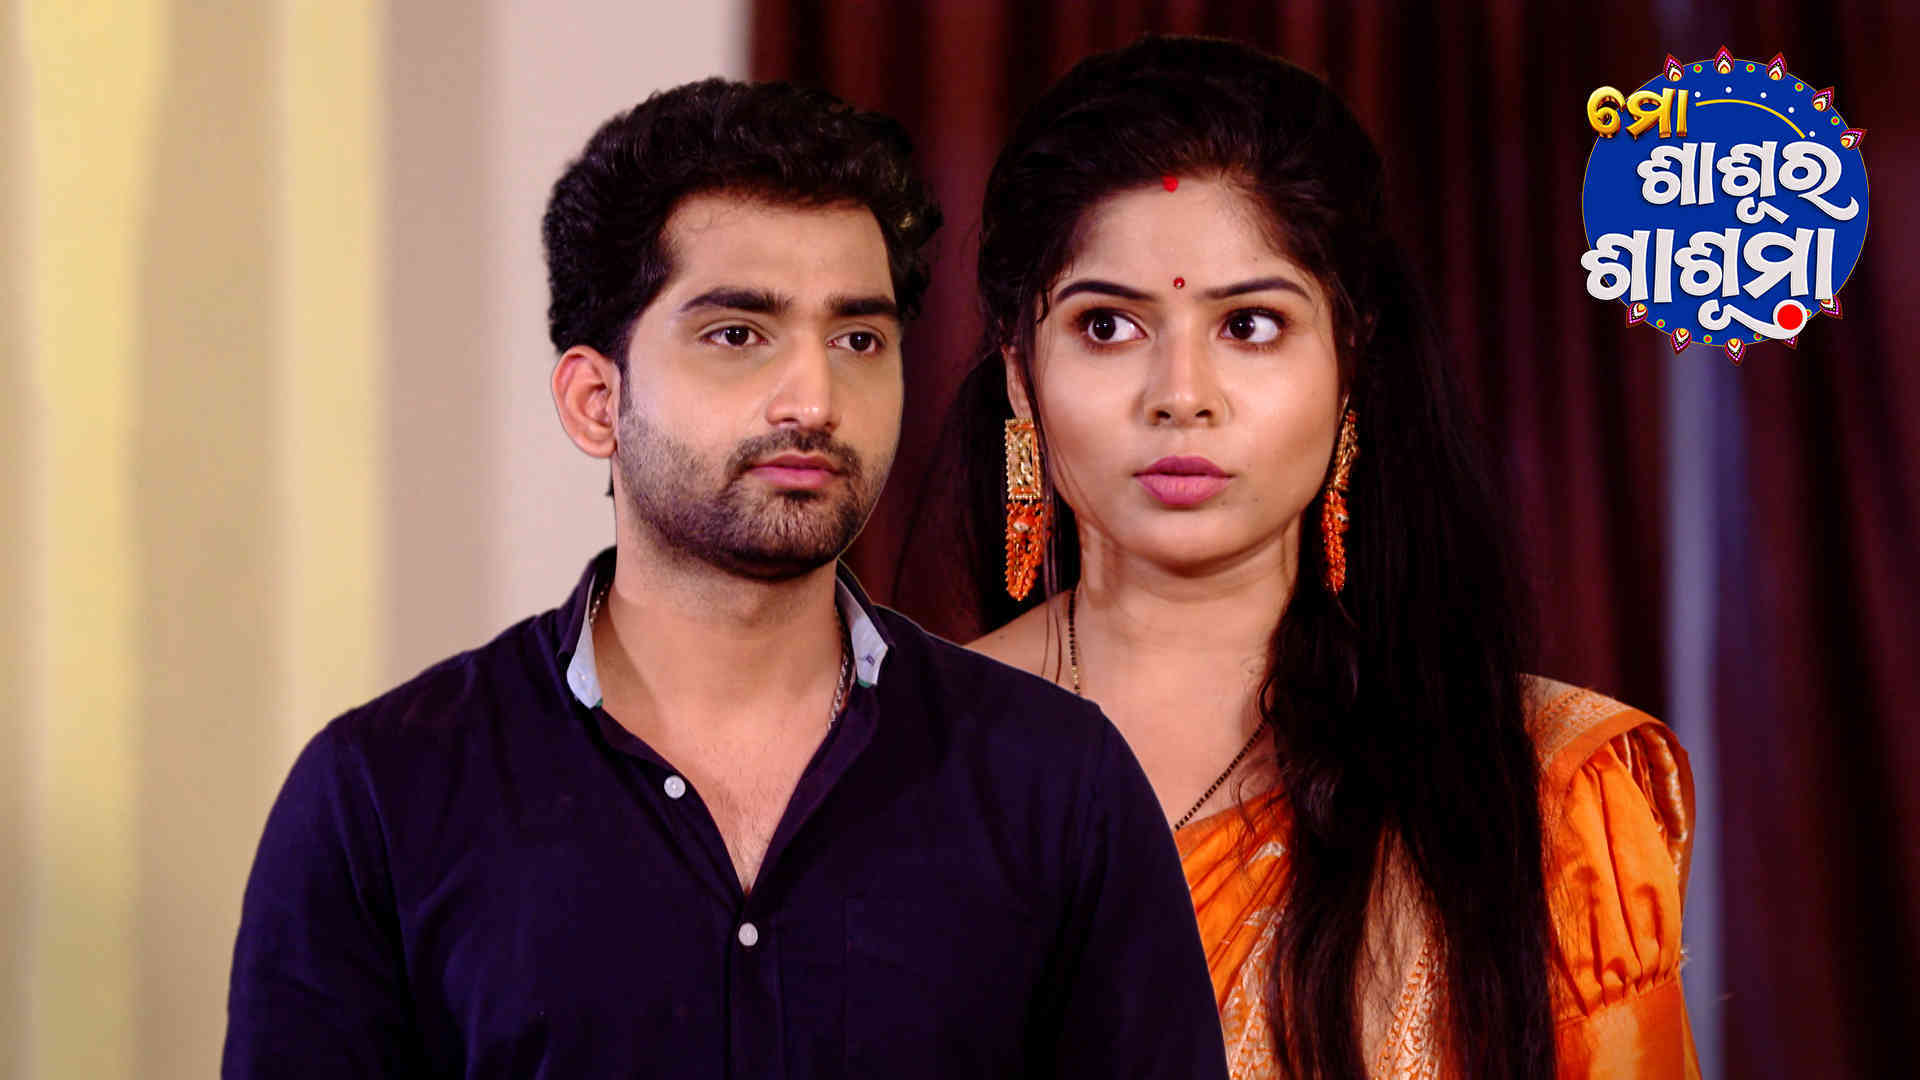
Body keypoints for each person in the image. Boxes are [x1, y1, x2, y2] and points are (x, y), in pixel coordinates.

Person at [224, 77, 1228, 1079]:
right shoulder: (382, 798)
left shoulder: (1056, 782)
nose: (815, 399)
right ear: (595, 402)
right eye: (738, 334)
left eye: (858, 340)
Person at [955, 36, 1699, 1078]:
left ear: (1351, 360)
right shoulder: (880, 763)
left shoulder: (1535, 798)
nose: (1181, 395)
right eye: (1109, 325)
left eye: (1250, 325)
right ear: (1019, 374)